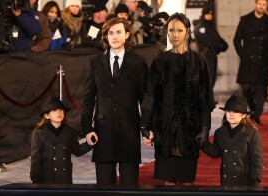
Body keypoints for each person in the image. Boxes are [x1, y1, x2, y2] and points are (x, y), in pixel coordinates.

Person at [141, 12, 215, 186]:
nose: (175, 34)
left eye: (179, 30)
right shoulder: (160, 60)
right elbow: (150, 94)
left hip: (190, 131)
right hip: (164, 129)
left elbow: (206, 99)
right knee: (168, 182)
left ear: (187, 32)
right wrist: (145, 126)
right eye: (171, 30)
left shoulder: (198, 62)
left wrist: (205, 129)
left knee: (187, 181)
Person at [81, 17, 148, 186]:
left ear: (127, 35)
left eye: (119, 32)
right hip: (103, 132)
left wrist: (146, 128)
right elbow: (89, 98)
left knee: (130, 188)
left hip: (129, 130)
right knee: (104, 189)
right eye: (111, 33)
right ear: (105, 36)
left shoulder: (138, 63)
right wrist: (87, 129)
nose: (115, 36)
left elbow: (145, 99)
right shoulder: (95, 62)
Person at [201, 95, 263, 186]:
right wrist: (203, 143)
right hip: (226, 181)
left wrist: (255, 182)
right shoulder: (220, 132)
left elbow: (257, 160)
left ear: (244, 115)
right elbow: (216, 152)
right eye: (229, 111)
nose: (231, 114)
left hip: (245, 182)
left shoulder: (252, 133)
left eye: (236, 111)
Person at [30, 97, 92, 184]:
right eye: (54, 110)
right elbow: (36, 159)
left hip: (65, 179)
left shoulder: (70, 131)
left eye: (61, 110)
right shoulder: (39, 133)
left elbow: (77, 150)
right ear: (46, 115)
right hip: (47, 180)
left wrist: (90, 143)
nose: (59, 112)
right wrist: (35, 182)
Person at [233, 0, 268, 125]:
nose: (261, 6)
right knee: (246, 87)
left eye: (264, 5)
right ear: (255, 4)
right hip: (248, 59)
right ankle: (254, 110)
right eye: (259, 4)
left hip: (263, 60)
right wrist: (243, 54)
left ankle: (257, 115)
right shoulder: (245, 19)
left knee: (261, 88)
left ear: (266, 6)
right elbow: (236, 39)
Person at [194, 7, 228, 87]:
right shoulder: (201, 27)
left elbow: (218, 38)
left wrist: (223, 45)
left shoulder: (211, 26)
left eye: (211, 14)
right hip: (206, 55)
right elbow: (208, 41)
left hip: (212, 55)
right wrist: (219, 46)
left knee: (211, 78)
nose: (209, 16)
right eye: (207, 14)